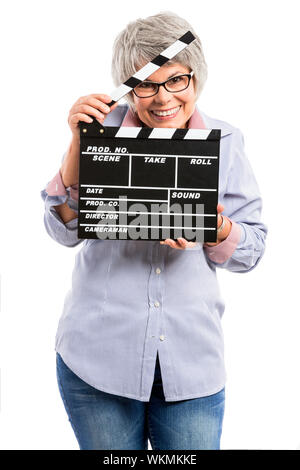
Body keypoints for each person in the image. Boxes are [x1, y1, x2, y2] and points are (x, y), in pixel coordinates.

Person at [40, 11, 267, 450]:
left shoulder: (226, 142)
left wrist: (212, 228)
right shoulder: (101, 132)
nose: (163, 98)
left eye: (176, 80)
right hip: (97, 359)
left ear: (195, 78)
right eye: (145, 84)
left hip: (191, 365)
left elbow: (253, 249)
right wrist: (77, 142)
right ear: (127, 87)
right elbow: (63, 231)